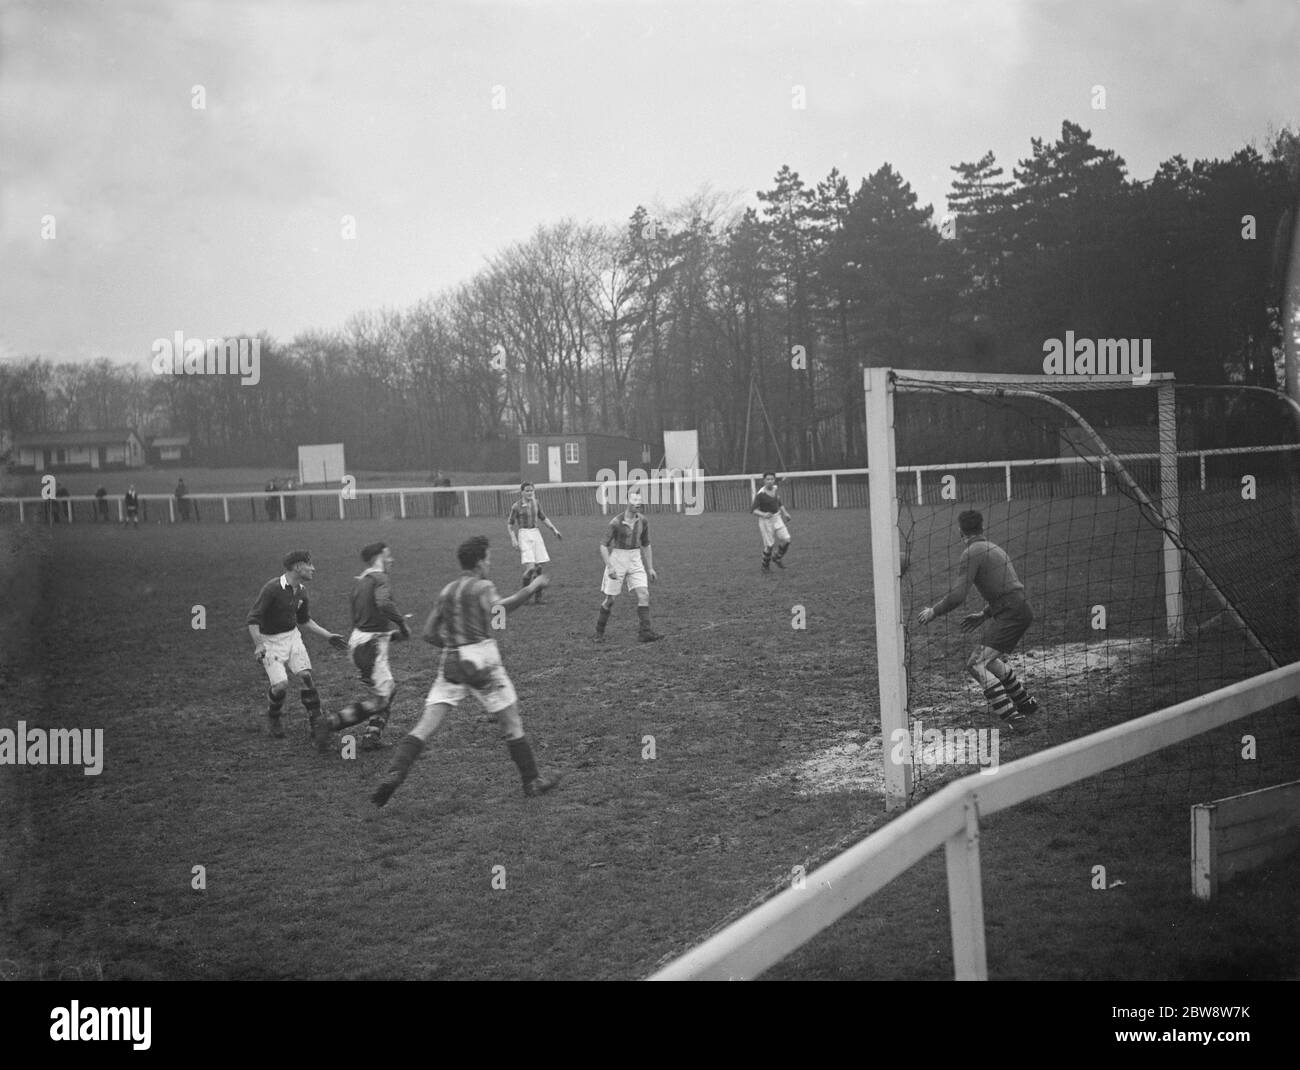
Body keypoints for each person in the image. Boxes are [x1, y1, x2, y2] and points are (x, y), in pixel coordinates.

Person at [371, 536, 558, 807]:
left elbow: (428, 633)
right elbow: (500, 611)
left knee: (425, 725)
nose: (490, 563)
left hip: (452, 659)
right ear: (480, 561)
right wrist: (533, 587)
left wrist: (453, 645)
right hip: (481, 658)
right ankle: (532, 781)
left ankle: (396, 772)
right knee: (512, 723)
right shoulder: (482, 587)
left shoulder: (447, 591)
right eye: (489, 558)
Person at [916, 510, 1041, 728]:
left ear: (959, 531)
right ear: (982, 527)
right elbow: (1008, 589)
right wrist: (985, 614)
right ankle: (1025, 702)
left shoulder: (971, 552)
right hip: (1018, 609)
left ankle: (1014, 718)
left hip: (1010, 612)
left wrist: (933, 611)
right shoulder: (994, 548)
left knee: (976, 664)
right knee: (990, 660)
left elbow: (958, 596)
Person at [246, 550, 349, 748]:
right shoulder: (272, 588)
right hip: (269, 641)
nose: (313, 568)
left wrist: (328, 635)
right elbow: (253, 620)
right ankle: (274, 716)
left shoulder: (301, 591)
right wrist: (259, 644)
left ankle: (317, 722)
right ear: (297, 567)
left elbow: (304, 620)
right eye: (309, 564)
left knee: (305, 676)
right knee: (281, 685)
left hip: (292, 637)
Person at [319, 541, 410, 751]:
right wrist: (402, 624)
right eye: (388, 555)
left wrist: (390, 636)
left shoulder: (360, 582)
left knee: (387, 692)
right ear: (378, 557)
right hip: (371, 647)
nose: (392, 559)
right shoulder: (380, 578)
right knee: (381, 700)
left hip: (361, 642)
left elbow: (366, 621)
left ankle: (372, 735)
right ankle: (332, 722)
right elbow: (384, 604)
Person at [594, 488, 662, 643]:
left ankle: (645, 632)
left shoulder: (643, 521)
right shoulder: (616, 522)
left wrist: (650, 567)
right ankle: (599, 632)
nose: (637, 503)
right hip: (618, 558)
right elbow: (603, 545)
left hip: (635, 558)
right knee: (610, 600)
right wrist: (610, 566)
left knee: (644, 594)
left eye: (639, 500)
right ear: (627, 502)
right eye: (634, 500)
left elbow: (646, 543)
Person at [507, 481, 562, 604]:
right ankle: (523, 597)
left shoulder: (536, 503)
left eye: (531, 490)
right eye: (527, 490)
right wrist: (513, 538)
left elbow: (543, 517)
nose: (529, 492)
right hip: (524, 534)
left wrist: (554, 530)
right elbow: (510, 524)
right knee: (530, 569)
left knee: (539, 568)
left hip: (536, 533)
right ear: (522, 492)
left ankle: (538, 597)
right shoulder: (516, 506)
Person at [751, 471, 792, 571]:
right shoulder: (761, 494)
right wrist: (764, 514)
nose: (770, 481)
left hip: (777, 518)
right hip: (766, 522)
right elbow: (753, 510)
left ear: (774, 480)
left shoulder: (775, 488)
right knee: (769, 546)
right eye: (768, 479)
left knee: (787, 540)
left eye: (772, 479)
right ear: (764, 481)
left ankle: (777, 558)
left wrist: (785, 513)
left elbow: (778, 502)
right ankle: (765, 566)